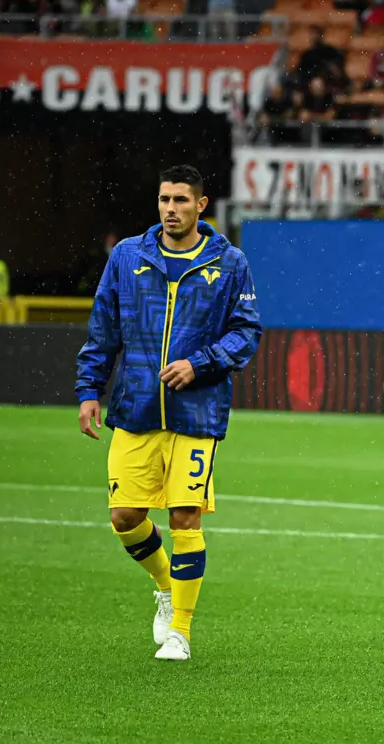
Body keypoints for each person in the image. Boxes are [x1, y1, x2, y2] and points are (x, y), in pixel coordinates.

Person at [75, 164, 262, 662]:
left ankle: (180, 630)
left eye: (181, 200)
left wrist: (199, 365)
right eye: (164, 199)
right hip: (134, 407)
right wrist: (90, 388)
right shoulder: (127, 256)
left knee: (184, 516)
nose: (171, 209)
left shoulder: (229, 262)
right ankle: (164, 584)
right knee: (124, 516)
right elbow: (103, 327)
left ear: (202, 205)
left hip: (197, 413)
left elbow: (246, 334)